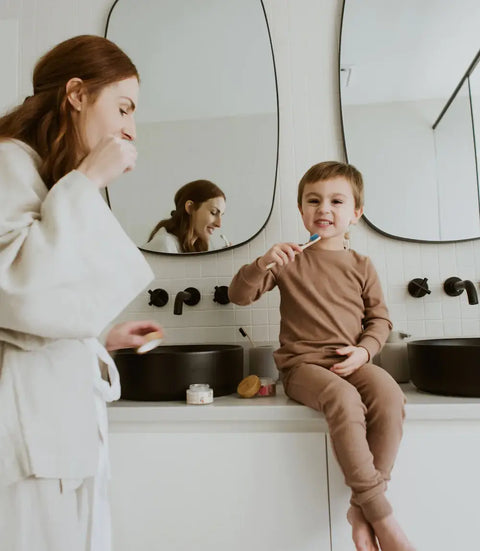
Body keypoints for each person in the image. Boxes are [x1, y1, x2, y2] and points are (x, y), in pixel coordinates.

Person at [0, 35, 163, 551]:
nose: (130, 127)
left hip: (53, 434)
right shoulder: (8, 161)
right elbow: (16, 287)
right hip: (26, 440)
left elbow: (38, 306)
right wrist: (87, 180)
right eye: (123, 107)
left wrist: (100, 338)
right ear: (76, 93)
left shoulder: (44, 176)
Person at [228, 161, 415, 551]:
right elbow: (238, 295)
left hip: (353, 363)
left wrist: (365, 351)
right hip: (303, 369)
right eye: (313, 200)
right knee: (344, 400)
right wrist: (263, 263)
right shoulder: (289, 260)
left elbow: (379, 320)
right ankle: (382, 517)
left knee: (391, 395)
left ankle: (360, 508)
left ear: (356, 213)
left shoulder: (362, 265)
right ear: (301, 211)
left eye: (336, 201)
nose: (324, 209)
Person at [145, 179, 227, 253]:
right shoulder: (165, 245)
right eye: (213, 212)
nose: (219, 224)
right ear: (190, 207)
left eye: (221, 215)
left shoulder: (195, 248)